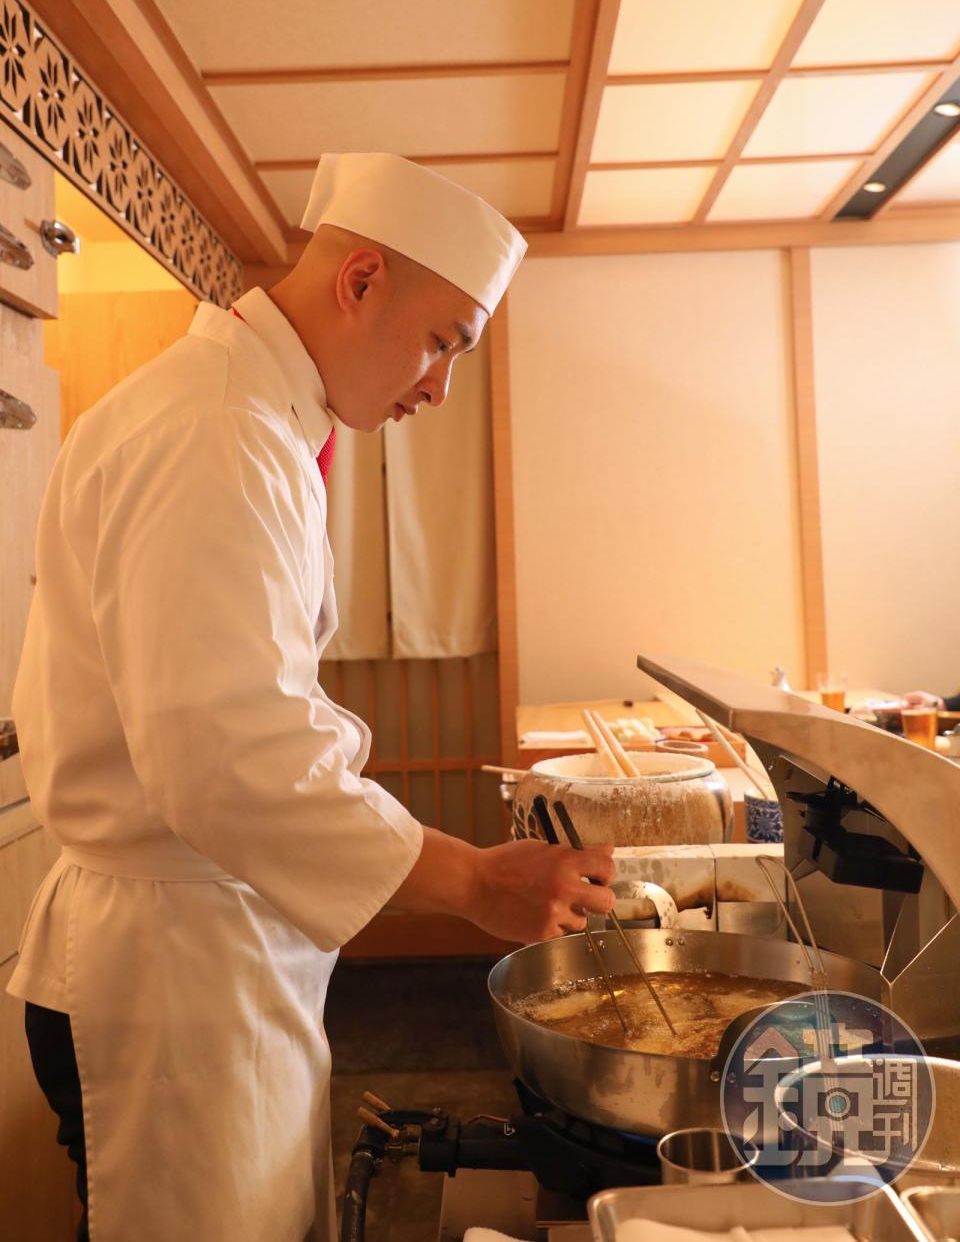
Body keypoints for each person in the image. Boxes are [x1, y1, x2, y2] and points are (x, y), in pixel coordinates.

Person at [9, 154, 615, 1242]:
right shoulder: (215, 431)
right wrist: (472, 878)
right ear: (362, 279)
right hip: (171, 972)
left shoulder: (251, 418)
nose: (437, 385)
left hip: (200, 948)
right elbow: (228, 756)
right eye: (443, 341)